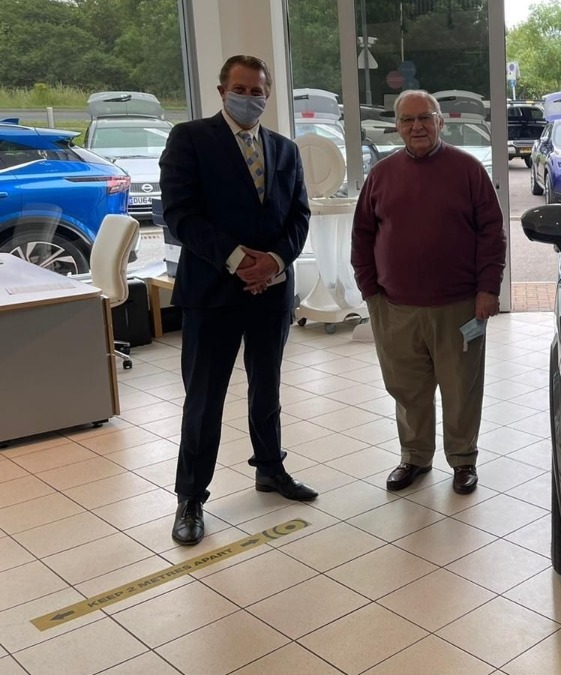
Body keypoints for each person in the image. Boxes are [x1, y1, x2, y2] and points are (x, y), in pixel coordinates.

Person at [160, 54, 318, 546]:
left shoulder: (285, 149)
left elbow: (299, 215)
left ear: (268, 94)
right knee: (204, 398)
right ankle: (191, 497)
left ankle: (270, 467)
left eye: (258, 91)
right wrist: (236, 260)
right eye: (241, 89)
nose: (250, 98)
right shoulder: (190, 139)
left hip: (271, 291)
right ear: (221, 90)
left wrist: (274, 261)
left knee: (267, 386)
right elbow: (179, 214)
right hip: (212, 292)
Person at [351, 90, 506, 495]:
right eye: (407, 120)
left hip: (459, 307)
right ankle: (415, 457)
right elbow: (362, 236)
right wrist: (371, 292)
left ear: (440, 122)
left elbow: (492, 233)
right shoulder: (381, 175)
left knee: (461, 389)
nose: (416, 126)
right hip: (395, 306)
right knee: (407, 388)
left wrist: (488, 289)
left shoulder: (468, 170)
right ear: (397, 126)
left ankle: (463, 459)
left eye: (425, 118)